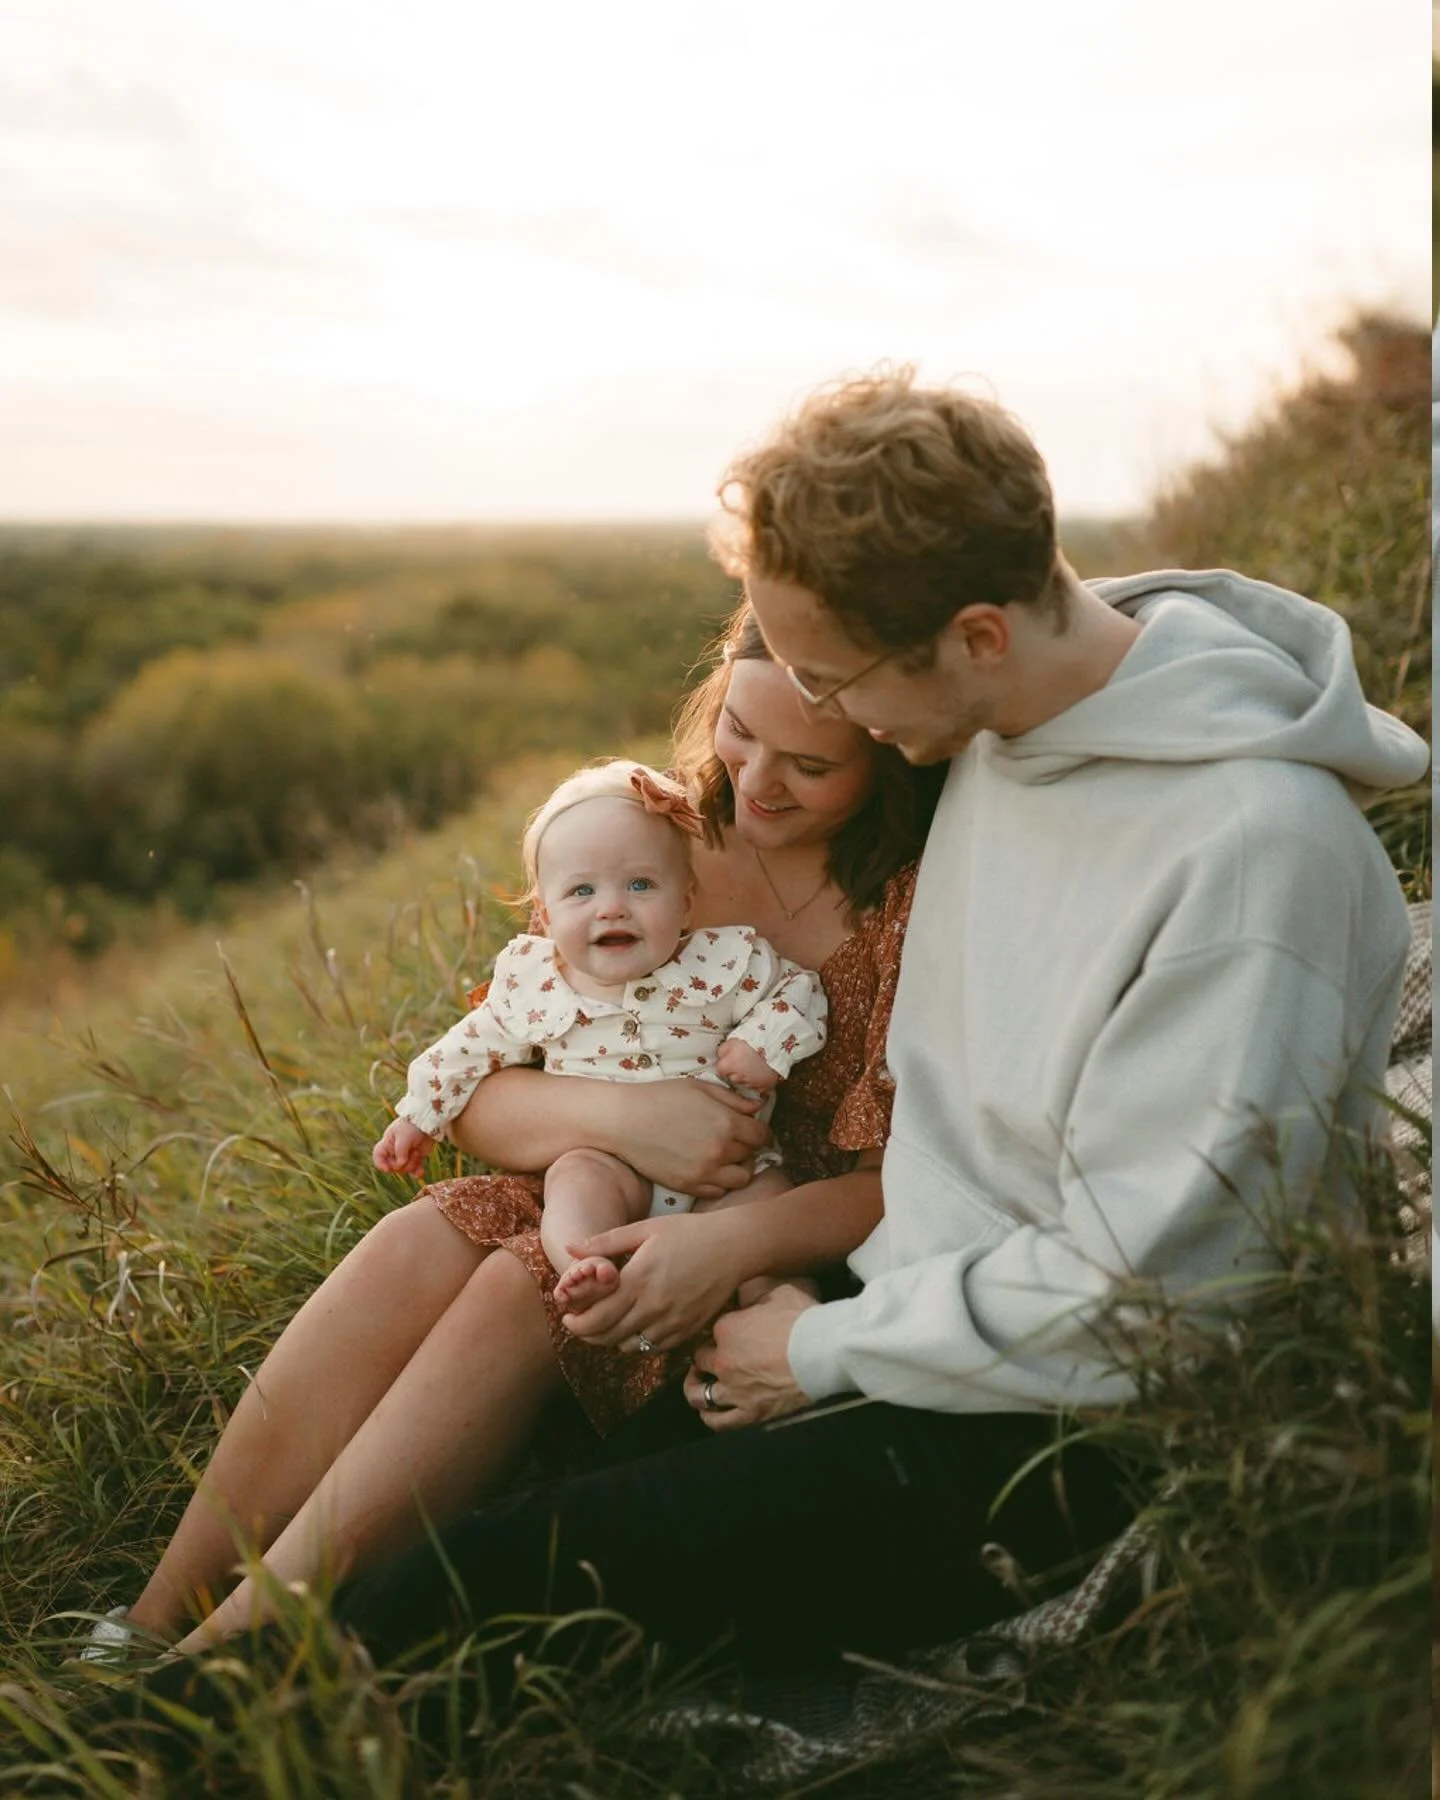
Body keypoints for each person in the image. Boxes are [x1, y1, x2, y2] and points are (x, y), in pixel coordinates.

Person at [304, 364, 1426, 1687]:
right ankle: (170, 1656)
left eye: (834, 686)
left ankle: (155, 1741)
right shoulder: (1016, 724)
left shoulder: (1246, 858)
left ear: (977, 635)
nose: (821, 722)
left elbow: (1150, 1302)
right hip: (895, 1311)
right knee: (483, 1502)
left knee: (441, 1617)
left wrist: (817, 1351)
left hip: (1057, 1429)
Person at [92, 602, 942, 1658]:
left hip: (744, 1238)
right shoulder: (653, 836)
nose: (758, 778)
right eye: (739, 729)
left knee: (519, 1278)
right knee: (419, 1235)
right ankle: (149, 1619)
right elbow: (488, 1088)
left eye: (807, 763)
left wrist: (720, 1240)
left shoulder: (905, 910)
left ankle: (228, 1651)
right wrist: (633, 1116)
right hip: (591, 1182)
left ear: (891, 745)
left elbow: (890, 1181)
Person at [371, 756, 829, 1318]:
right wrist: (419, 1114)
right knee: (574, 1181)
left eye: (641, 884)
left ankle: (780, 1311)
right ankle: (587, 1265)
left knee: (767, 1207)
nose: (612, 907)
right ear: (544, 916)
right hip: (612, 1165)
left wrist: (764, 1043)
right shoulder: (537, 985)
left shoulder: (723, 961)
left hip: (730, 1172)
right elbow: (469, 1047)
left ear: (685, 902)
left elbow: (800, 991)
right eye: (582, 891)